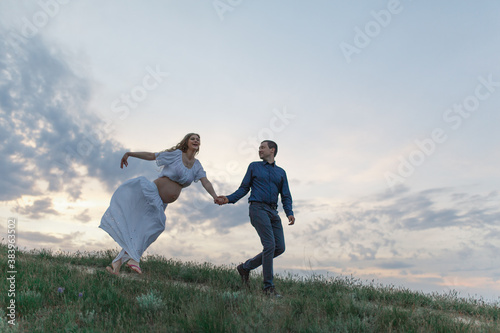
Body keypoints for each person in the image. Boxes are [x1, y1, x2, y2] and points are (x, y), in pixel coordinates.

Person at [100, 133, 218, 275]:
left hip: (162, 203)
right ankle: (134, 259)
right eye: (192, 138)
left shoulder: (197, 165)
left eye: (198, 139)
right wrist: (130, 154)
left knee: (142, 230)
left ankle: (117, 264)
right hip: (151, 193)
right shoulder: (175, 155)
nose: (196, 140)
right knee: (157, 226)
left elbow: (205, 181)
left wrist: (215, 196)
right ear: (186, 142)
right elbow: (152, 156)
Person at [216, 140, 295, 296]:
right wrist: (228, 199)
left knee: (279, 247)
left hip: (273, 212)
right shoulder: (254, 166)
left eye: (262, 147)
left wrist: (289, 212)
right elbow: (244, 188)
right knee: (270, 244)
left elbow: (286, 195)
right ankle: (268, 288)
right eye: (259, 147)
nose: (259, 150)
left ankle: (245, 267)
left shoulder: (281, 172)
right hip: (257, 208)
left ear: (272, 150)